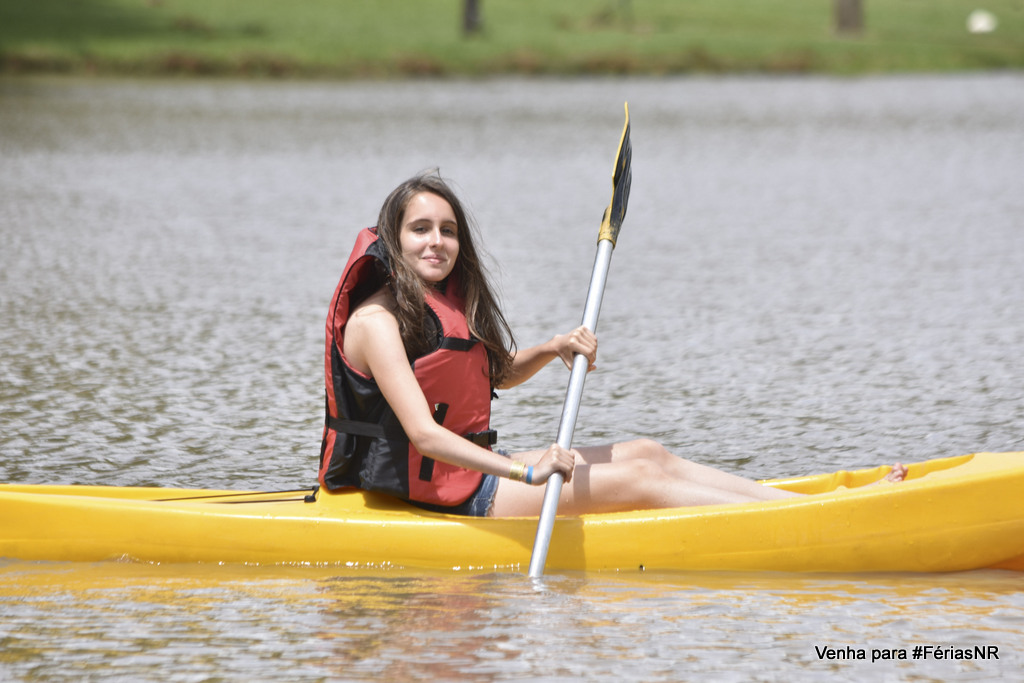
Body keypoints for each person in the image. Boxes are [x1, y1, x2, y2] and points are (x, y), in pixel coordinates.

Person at [318, 172, 907, 517]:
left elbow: (488, 376)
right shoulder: (376, 321)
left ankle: (802, 505)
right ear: (394, 237)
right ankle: (821, 517)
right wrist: (527, 473)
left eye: (448, 231)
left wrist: (551, 348)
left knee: (649, 453)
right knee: (639, 483)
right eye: (420, 229)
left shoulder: (437, 302)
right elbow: (424, 434)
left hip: (463, 475)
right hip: (445, 492)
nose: (437, 243)